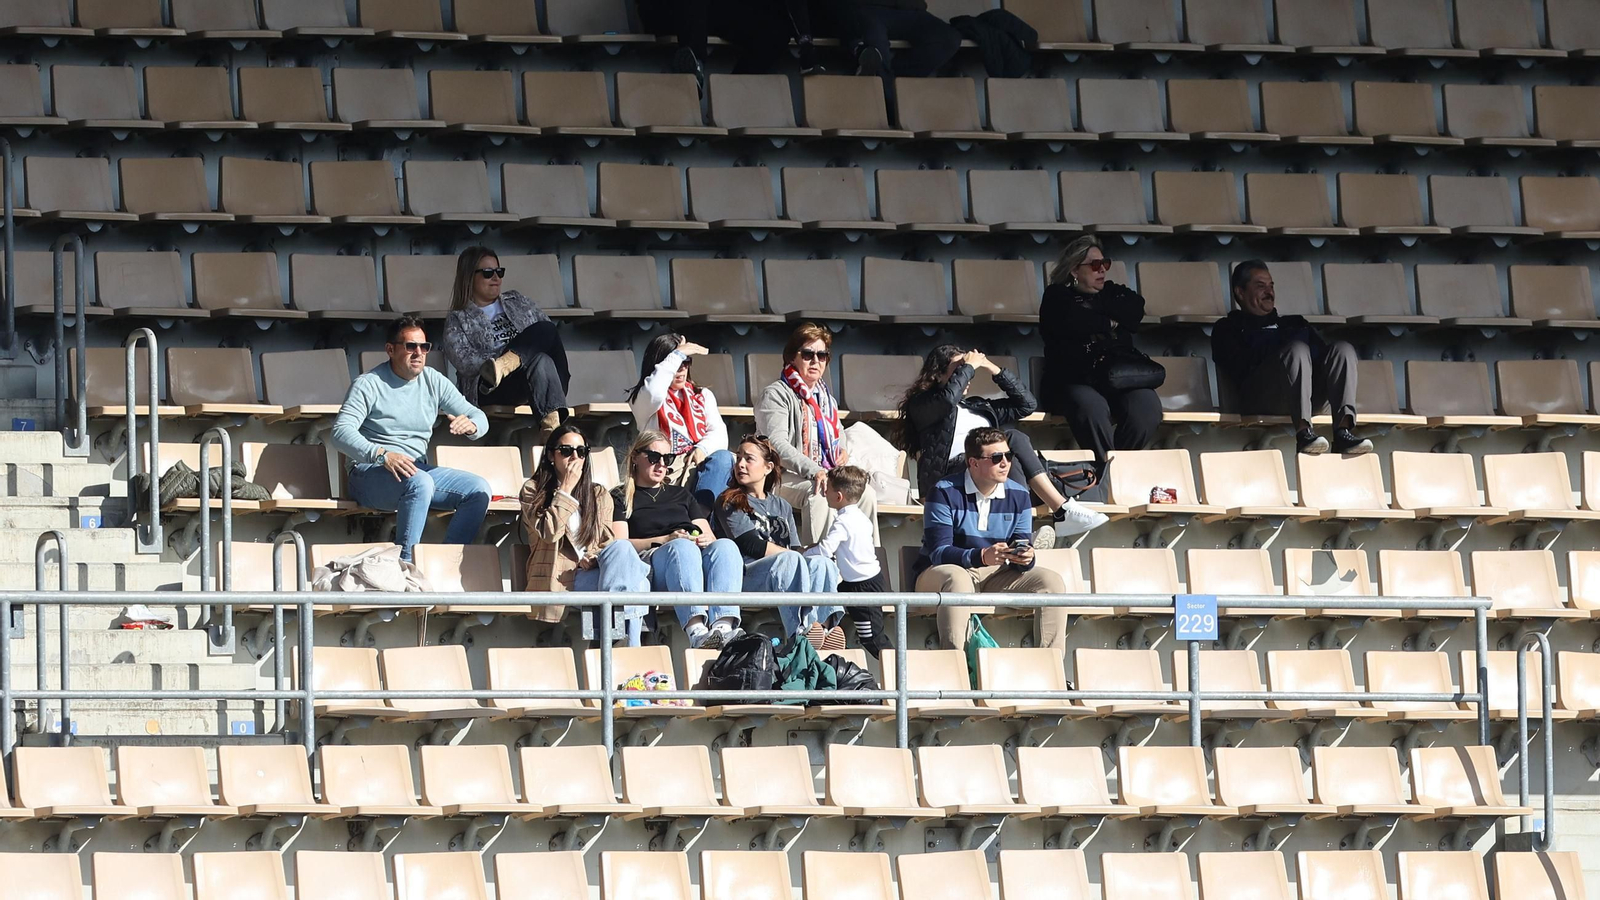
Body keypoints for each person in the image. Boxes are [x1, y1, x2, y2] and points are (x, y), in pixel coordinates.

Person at [897, 344, 1107, 547]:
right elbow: (946, 401)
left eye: (967, 369)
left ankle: (1025, 534)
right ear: (938, 375)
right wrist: (969, 366)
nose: (967, 375)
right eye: (958, 369)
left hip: (989, 468)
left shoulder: (980, 407)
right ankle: (1060, 511)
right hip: (953, 475)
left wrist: (992, 368)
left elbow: (1027, 405)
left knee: (1008, 447)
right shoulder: (924, 405)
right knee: (1009, 441)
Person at [332, 316, 491, 563]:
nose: (418, 353)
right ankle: (404, 566)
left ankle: (449, 563)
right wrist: (382, 455)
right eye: (410, 346)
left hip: (416, 470)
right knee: (420, 483)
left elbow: (479, 416)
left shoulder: (434, 380)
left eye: (424, 347)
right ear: (390, 349)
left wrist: (472, 426)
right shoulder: (368, 384)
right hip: (369, 472)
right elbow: (341, 432)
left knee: (479, 489)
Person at [914, 428, 1068, 653]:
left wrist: (1025, 557)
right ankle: (958, 670)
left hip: (994, 573)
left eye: (1008, 456)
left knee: (1051, 582)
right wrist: (980, 556)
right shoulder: (943, 491)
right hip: (941, 573)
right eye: (996, 458)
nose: (1005, 463)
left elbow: (1020, 542)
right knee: (958, 580)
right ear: (973, 463)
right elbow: (939, 552)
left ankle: (1052, 669)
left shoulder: (1019, 494)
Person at [1037, 236, 1163, 483]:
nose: (1102, 270)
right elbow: (1072, 322)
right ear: (1074, 269)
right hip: (1073, 378)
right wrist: (1109, 320)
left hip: (1117, 378)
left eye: (1105, 263)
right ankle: (1106, 474)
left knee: (1146, 407)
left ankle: (1116, 471)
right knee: (1091, 407)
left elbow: (1135, 310)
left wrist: (1097, 314)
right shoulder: (1056, 296)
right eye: (1094, 265)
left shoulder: (1111, 291)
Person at [1213, 260, 1372, 455]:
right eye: (1260, 286)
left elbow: (1323, 360)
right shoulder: (1227, 328)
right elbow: (1241, 368)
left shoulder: (1294, 324)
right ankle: (1304, 433)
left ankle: (1343, 432)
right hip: (1262, 398)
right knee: (1297, 350)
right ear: (1240, 292)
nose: (1268, 291)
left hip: (1308, 394)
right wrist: (1283, 347)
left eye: (1271, 286)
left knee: (1343, 349)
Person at [613, 430, 745, 649]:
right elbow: (620, 545)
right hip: (651, 562)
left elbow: (708, 536)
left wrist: (702, 540)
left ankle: (723, 627)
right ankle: (697, 631)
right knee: (682, 548)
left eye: (668, 459)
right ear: (635, 457)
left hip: (688, 555)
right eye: (654, 457)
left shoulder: (680, 494)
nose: (661, 464)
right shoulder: (620, 496)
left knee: (726, 546)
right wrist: (665, 539)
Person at [520, 425, 652, 644]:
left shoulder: (598, 493)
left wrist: (593, 556)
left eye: (581, 452)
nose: (575, 457)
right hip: (559, 578)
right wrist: (566, 489)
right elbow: (549, 532)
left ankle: (615, 638)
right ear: (552, 455)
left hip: (592, 573)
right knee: (639, 584)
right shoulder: (533, 490)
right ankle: (625, 644)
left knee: (623, 550)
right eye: (566, 450)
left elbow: (605, 541)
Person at [716, 435, 845, 651]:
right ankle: (802, 632)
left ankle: (823, 629)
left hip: (785, 571)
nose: (740, 464)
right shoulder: (729, 499)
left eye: (748, 459)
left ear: (768, 467)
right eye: (738, 458)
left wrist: (816, 551)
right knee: (791, 559)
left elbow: (794, 548)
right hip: (749, 575)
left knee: (822, 563)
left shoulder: (782, 505)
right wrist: (795, 556)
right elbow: (751, 545)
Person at [756, 322, 879, 546]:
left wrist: (841, 450)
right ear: (792, 357)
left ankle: (867, 570)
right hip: (785, 476)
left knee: (866, 494)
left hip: (824, 473)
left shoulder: (826, 398)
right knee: (821, 493)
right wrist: (815, 471)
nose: (815, 361)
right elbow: (776, 445)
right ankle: (818, 567)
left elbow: (838, 433)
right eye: (808, 354)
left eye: (822, 355)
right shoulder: (775, 394)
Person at [441, 246, 569, 430]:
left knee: (546, 332)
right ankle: (551, 431)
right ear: (469, 276)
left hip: (546, 379)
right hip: (492, 387)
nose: (496, 278)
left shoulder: (518, 301)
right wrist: (498, 361)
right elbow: (465, 363)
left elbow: (548, 338)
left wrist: (513, 357)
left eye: (499, 272)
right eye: (487, 273)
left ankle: (504, 365)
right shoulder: (458, 318)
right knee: (540, 360)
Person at [626, 333, 736, 512]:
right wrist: (676, 356)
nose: (681, 369)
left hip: (697, 468)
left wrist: (702, 449)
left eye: (686, 362)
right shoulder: (642, 398)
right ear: (661, 365)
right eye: (676, 364)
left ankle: (700, 519)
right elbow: (654, 393)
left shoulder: (703, 395)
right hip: (666, 472)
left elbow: (719, 433)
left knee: (723, 458)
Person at [803, 465, 890, 655]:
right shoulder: (860, 517)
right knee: (831, 593)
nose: (825, 492)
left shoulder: (843, 521)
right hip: (854, 583)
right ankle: (825, 628)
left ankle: (901, 671)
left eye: (828, 489)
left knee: (872, 638)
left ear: (839, 496)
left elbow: (825, 550)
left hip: (864, 587)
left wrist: (803, 554)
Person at [636, 0, 823, 85]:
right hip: (666, 9)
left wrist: (804, 40)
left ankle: (733, 90)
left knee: (775, 31)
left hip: (709, 10)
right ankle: (692, 64)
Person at [812, 0, 963, 77]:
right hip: (865, 8)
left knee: (948, 38)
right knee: (875, 45)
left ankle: (893, 83)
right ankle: (887, 106)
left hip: (909, 9)